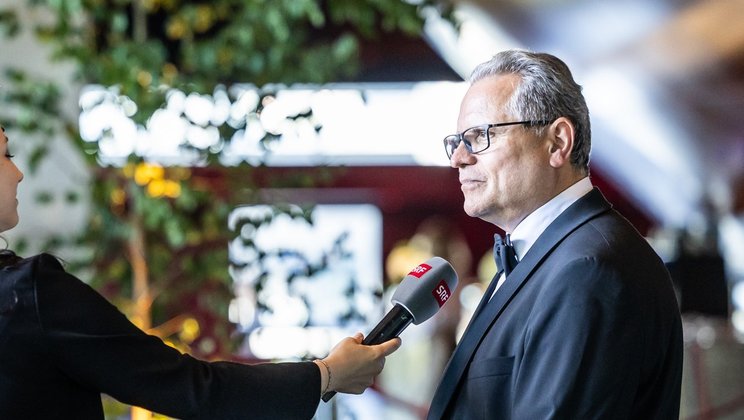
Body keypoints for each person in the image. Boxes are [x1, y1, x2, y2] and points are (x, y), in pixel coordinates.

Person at [0, 126, 401, 419]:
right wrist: (327, 374)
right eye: (5, 154)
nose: (18, 172)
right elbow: (192, 389)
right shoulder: (30, 296)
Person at [427, 50, 683, 419]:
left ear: (558, 142)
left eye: (479, 136)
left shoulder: (588, 269)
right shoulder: (558, 253)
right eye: (458, 141)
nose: (459, 159)